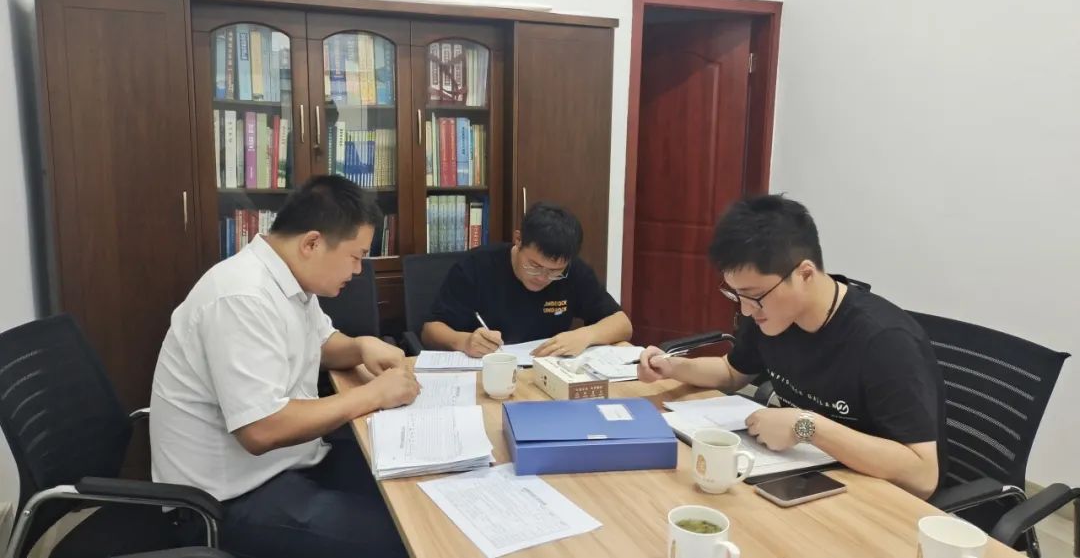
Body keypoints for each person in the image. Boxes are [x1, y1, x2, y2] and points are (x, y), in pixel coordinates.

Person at [150, 175, 420, 558]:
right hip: (227, 499)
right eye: (356, 256)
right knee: (404, 537)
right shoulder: (241, 296)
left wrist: (361, 346)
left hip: (288, 462)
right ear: (312, 243)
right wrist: (373, 395)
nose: (359, 270)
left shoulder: (289, 279)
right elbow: (261, 430)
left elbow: (321, 343)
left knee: (411, 491)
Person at [637, 194, 945, 499]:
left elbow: (922, 474)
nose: (746, 310)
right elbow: (732, 372)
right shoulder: (772, 313)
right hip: (808, 477)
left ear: (804, 274)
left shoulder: (884, 341)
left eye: (753, 295)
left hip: (880, 497)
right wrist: (675, 367)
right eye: (737, 295)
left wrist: (806, 427)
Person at [422, 202, 632, 357]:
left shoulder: (574, 271)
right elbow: (430, 331)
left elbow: (622, 324)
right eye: (534, 265)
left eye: (555, 271)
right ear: (518, 240)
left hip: (546, 374)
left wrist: (586, 336)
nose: (542, 277)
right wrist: (464, 342)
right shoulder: (476, 266)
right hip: (486, 371)